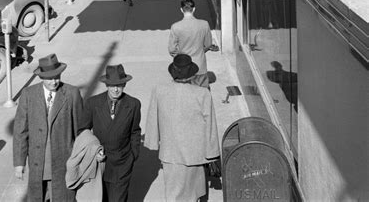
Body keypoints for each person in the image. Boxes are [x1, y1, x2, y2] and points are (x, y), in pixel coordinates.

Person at [144, 54, 221, 202]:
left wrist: (152, 142)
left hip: (170, 154)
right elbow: (210, 126)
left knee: (173, 195)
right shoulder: (202, 94)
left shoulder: (159, 90)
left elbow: (152, 119)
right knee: (193, 194)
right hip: (195, 155)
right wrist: (212, 154)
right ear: (191, 74)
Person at [13, 53, 83, 202]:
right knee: (39, 197)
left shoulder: (72, 93)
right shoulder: (28, 94)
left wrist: (80, 159)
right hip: (38, 163)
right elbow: (20, 131)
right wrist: (19, 163)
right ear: (41, 77)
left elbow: (80, 129)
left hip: (63, 162)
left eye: (57, 77)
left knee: (63, 197)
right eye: (50, 78)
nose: (54, 81)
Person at [79, 64, 141, 202]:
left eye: (119, 85)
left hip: (122, 164)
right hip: (97, 163)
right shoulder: (93, 103)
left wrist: (133, 155)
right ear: (106, 85)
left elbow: (135, 131)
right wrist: (93, 152)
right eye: (112, 85)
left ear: (124, 84)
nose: (116, 89)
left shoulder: (133, 104)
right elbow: (83, 131)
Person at [168, 0, 214, 88]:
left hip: (184, 69)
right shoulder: (204, 24)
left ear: (181, 10)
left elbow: (172, 49)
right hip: (200, 66)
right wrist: (200, 50)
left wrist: (182, 57)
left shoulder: (176, 27)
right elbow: (208, 44)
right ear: (194, 9)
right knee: (202, 95)